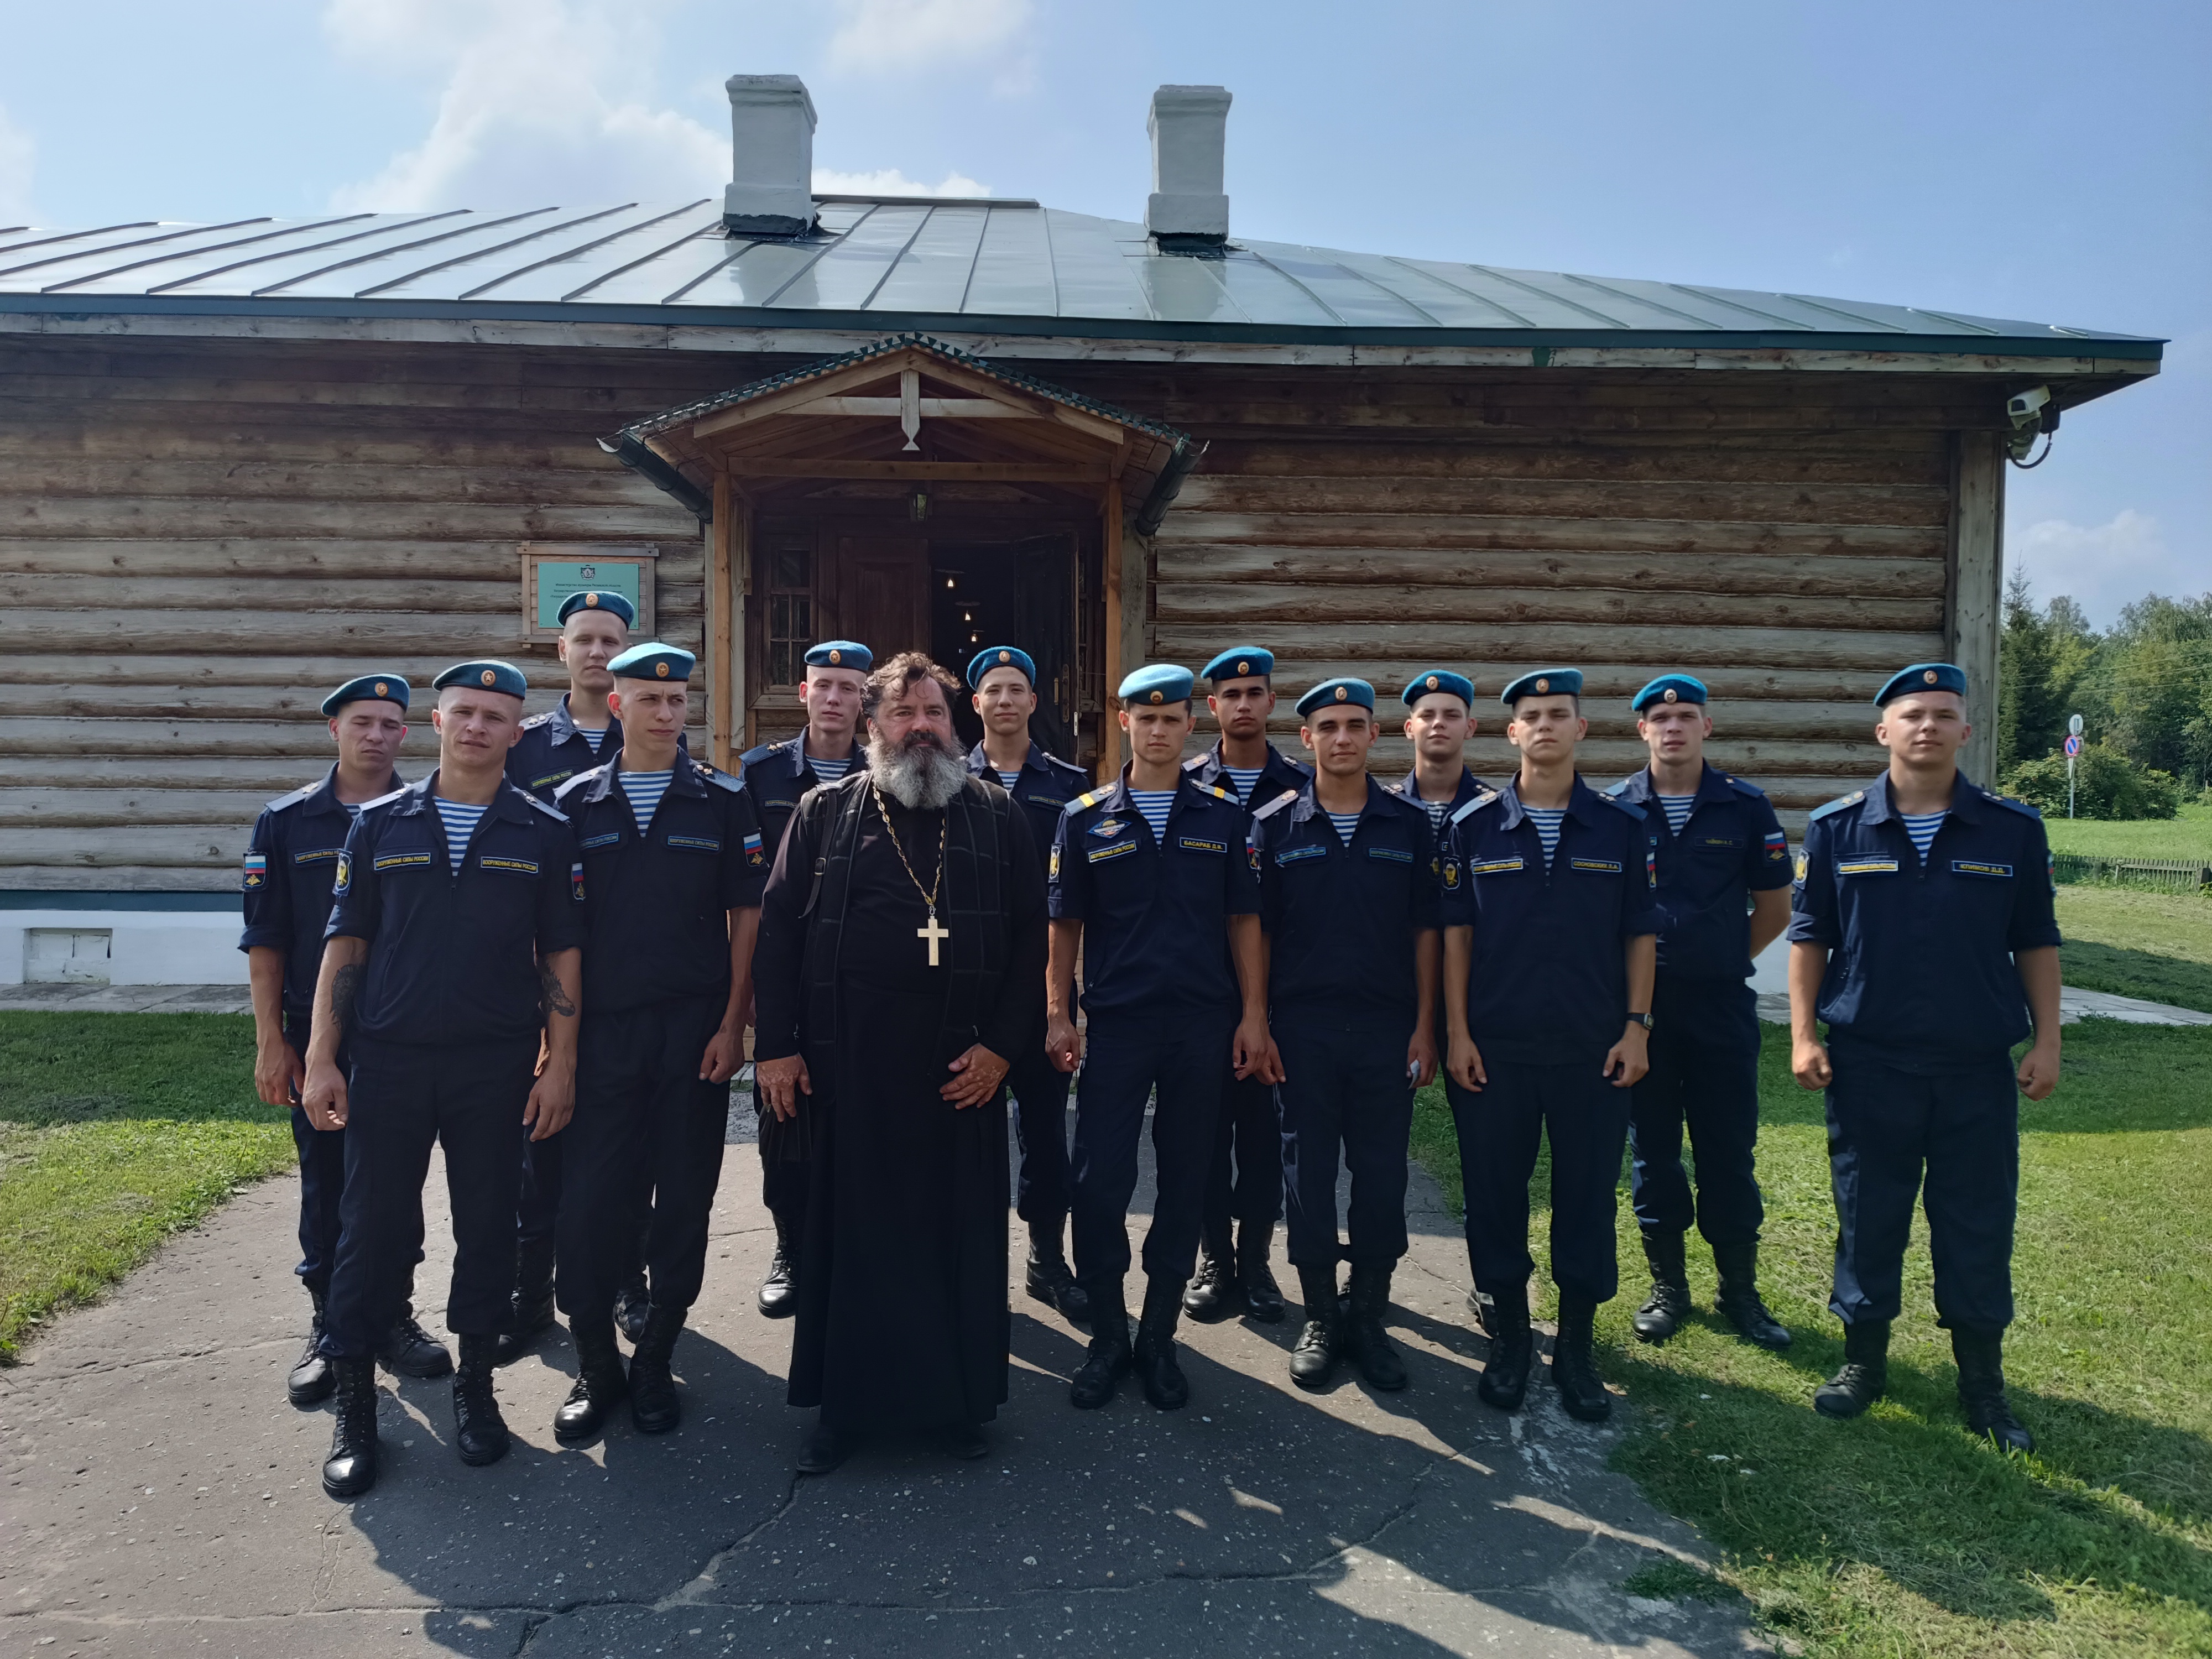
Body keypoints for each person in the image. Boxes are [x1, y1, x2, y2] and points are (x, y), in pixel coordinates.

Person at [753, 653, 1045, 1474]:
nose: (922, 727)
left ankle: (954, 1408)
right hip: (855, 1068)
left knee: (953, 1237)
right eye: (905, 713)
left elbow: (1033, 942)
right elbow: (777, 935)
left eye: (936, 713)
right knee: (854, 1242)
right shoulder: (823, 813)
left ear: (955, 726)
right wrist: (774, 1047)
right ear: (873, 726)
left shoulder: (996, 815)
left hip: (963, 1070)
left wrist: (1000, 1050)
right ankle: (844, 1413)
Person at [302, 659, 585, 1499]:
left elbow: (561, 952)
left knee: (489, 1227)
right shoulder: (381, 825)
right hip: (387, 1059)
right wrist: (322, 1054)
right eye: (463, 713)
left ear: (517, 732)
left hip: (493, 1065)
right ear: (437, 723)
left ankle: (476, 1389)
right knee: (371, 1230)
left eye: (495, 718)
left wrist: (560, 1061)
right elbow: (345, 945)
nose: (476, 729)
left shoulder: (542, 830)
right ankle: (358, 1404)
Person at [1788, 662, 2060, 1452]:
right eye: (1912, 715)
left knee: (1976, 1222)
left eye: (1944, 714)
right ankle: (1861, 1364)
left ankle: (1983, 1386)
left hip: (1975, 1067)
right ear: (1884, 732)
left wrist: (2046, 1040)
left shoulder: (2012, 830)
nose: (1928, 726)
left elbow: (2035, 941)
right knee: (1867, 1215)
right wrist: (1805, 1035)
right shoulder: (1838, 827)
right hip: (1870, 1062)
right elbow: (1811, 939)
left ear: (1966, 733)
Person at [1048, 665, 1280, 1412]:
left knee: (1186, 1180)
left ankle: (1158, 1337)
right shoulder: (1084, 817)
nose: (1158, 730)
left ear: (1191, 725)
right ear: (1124, 723)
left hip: (1201, 1028)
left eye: (1172, 719)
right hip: (1118, 1028)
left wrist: (1253, 1015)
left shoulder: (1222, 816)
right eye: (1144, 718)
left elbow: (1244, 921)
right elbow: (1063, 928)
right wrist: (1060, 1012)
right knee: (1100, 1182)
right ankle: (1108, 1337)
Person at [550, 643, 764, 1441]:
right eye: (649, 700)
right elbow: (554, 937)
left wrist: (734, 1021)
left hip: (691, 1034)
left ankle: (655, 1359)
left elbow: (748, 918)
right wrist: (557, 1047)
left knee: (683, 1201)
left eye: (678, 702)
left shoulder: (722, 802)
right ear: (617, 705)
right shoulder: (573, 804)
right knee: (589, 1208)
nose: (667, 713)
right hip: (602, 1035)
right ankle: (598, 1364)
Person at [1439, 668, 1660, 1423]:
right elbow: (1457, 940)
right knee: (1495, 1195)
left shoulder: (1623, 829)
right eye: (1530, 715)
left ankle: (1575, 1345)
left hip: (1593, 1051)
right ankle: (1508, 1339)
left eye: (1557, 714)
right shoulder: (1472, 828)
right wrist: (1458, 1033)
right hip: (1495, 1049)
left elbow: (1640, 934)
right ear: (1510, 733)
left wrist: (1637, 1027)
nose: (1544, 726)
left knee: (1587, 1198)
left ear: (1581, 729)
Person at [239, 674, 448, 1405]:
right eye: (363, 722)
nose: (378, 736)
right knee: (326, 1182)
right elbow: (266, 943)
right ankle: (331, 1326)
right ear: (335, 729)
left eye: (392, 724)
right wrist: (274, 1042)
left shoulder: (423, 817)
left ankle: (394, 1316)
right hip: (315, 1034)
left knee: (399, 1183)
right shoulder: (287, 823)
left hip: (402, 1036)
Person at [1258, 678, 1439, 1392]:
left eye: (1354, 725)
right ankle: (1321, 1316)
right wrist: (1257, 1020)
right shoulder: (1274, 824)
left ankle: (1368, 1317)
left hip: (1386, 1028)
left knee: (1382, 1174)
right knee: (1307, 1178)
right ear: (1305, 739)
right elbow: (1257, 933)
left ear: (1374, 736)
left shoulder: (1409, 824)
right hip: (1301, 1028)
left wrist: (1427, 1025)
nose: (1341, 737)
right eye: (1326, 726)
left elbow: (1426, 931)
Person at [1606, 675, 1793, 1350]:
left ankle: (1739, 1292)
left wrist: (1719, 955)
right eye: (1660, 717)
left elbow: (1774, 908)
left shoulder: (1744, 808)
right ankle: (1668, 1290)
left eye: (1686, 715)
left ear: (1706, 727)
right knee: (1652, 1153)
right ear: (1642, 731)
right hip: (1642, 1011)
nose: (1673, 726)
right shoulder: (1617, 811)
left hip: (1719, 1007)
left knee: (1727, 1152)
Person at [498, 588, 637, 1361]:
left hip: (620, 973)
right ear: (562, 652)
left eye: (609, 638)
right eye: (582, 638)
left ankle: (625, 1281)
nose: (595, 650)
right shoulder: (524, 749)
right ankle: (531, 1294)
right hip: (539, 974)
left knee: (623, 1142)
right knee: (539, 1140)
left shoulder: (648, 731)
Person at [739, 639, 872, 1320]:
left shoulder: (885, 776)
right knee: (784, 1120)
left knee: (857, 1120)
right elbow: (742, 891)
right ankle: (790, 1246)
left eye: (848, 688)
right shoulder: (757, 776)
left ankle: (850, 1247)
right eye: (823, 684)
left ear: (863, 699)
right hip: (784, 969)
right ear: (802, 692)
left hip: (858, 980)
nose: (834, 698)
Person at [964, 645, 1093, 1326]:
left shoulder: (1070, 786)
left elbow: (1080, 898)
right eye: (994, 689)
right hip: (966, 987)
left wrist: (1062, 1004)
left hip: (1044, 987)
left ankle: (1048, 1262)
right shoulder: (947, 779)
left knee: (1045, 1133)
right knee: (961, 1133)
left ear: (1034, 702)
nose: (1007, 699)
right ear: (976, 703)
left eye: (1018, 688)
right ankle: (967, 1267)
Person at [1182, 645, 1311, 1324]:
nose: (1242, 705)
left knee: (1264, 1136)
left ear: (1269, 702)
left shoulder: (1301, 785)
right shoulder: (1185, 783)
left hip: (1279, 993)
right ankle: (1215, 1258)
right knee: (1206, 1133)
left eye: (1253, 693)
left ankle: (1257, 1260)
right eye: (1229, 696)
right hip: (1204, 990)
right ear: (1212, 708)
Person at [1395, 670, 1489, 832]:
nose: (1438, 723)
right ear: (1410, 729)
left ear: (1469, 728)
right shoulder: (1388, 808)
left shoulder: (1494, 809)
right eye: (1427, 715)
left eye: (1452, 715)